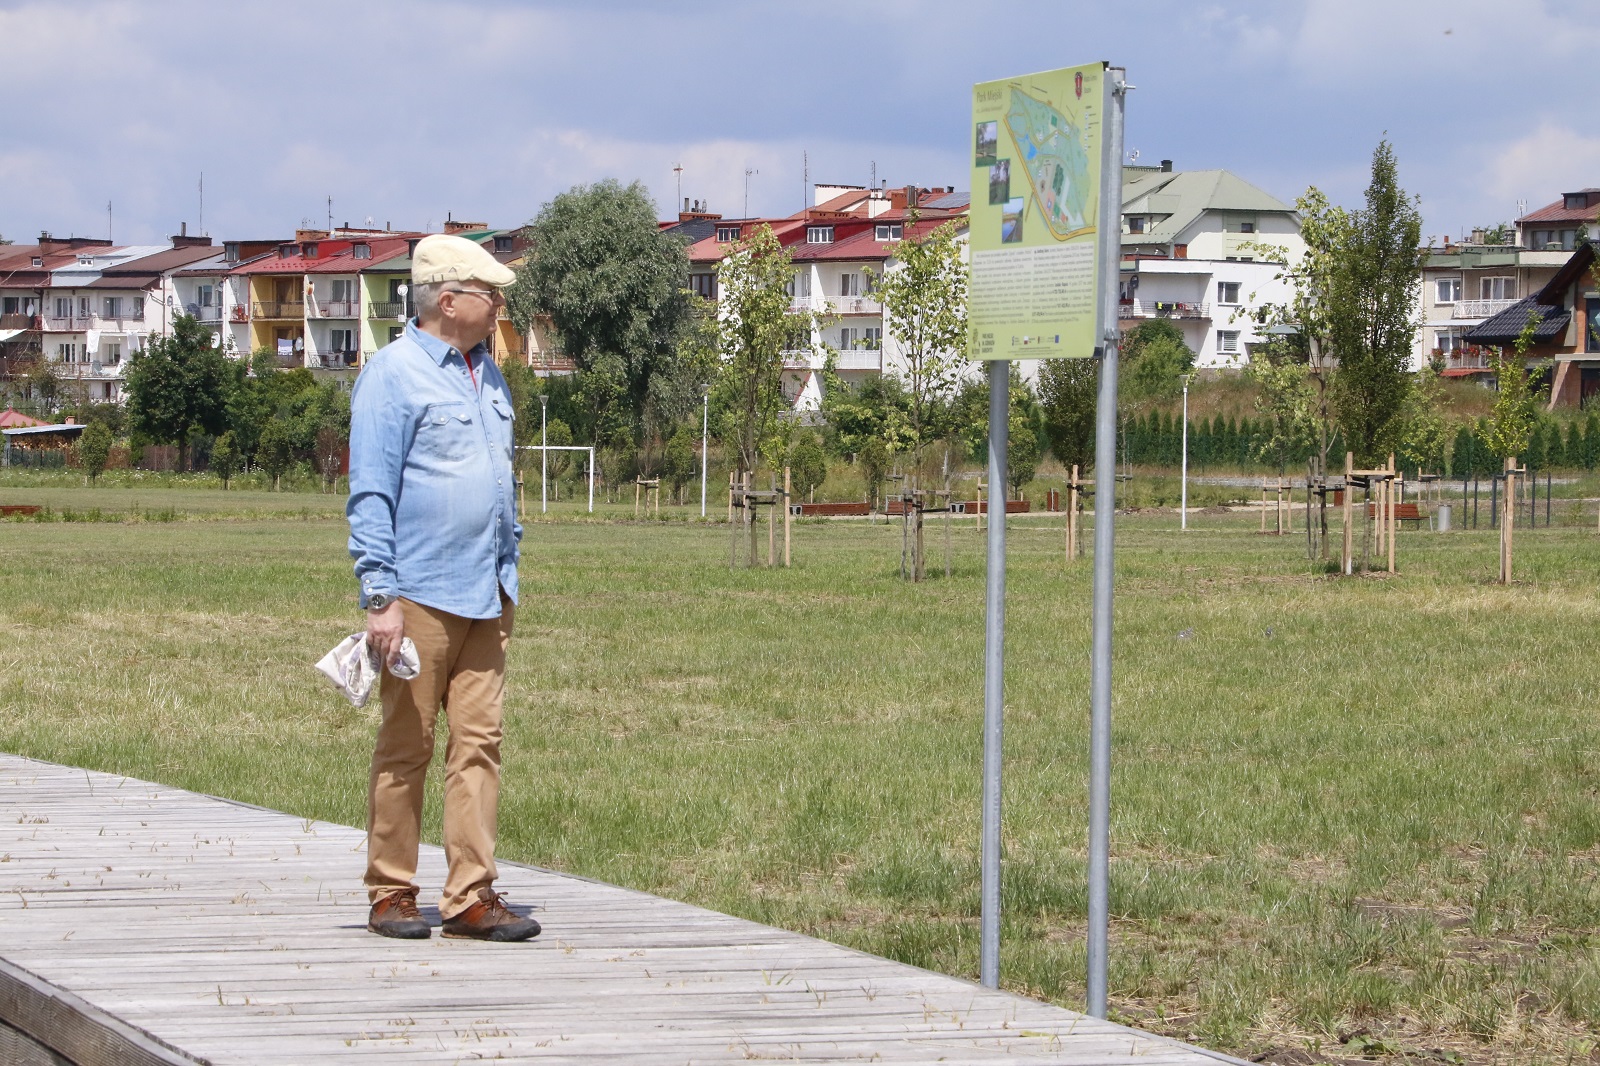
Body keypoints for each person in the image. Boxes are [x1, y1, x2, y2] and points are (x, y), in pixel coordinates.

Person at [346, 233, 539, 942]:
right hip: (419, 594)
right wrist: (380, 596)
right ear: (448, 299)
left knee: (480, 744)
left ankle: (471, 896)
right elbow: (371, 492)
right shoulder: (393, 375)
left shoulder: (488, 374)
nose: (500, 305)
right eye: (491, 294)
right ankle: (391, 891)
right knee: (408, 743)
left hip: (486, 593)